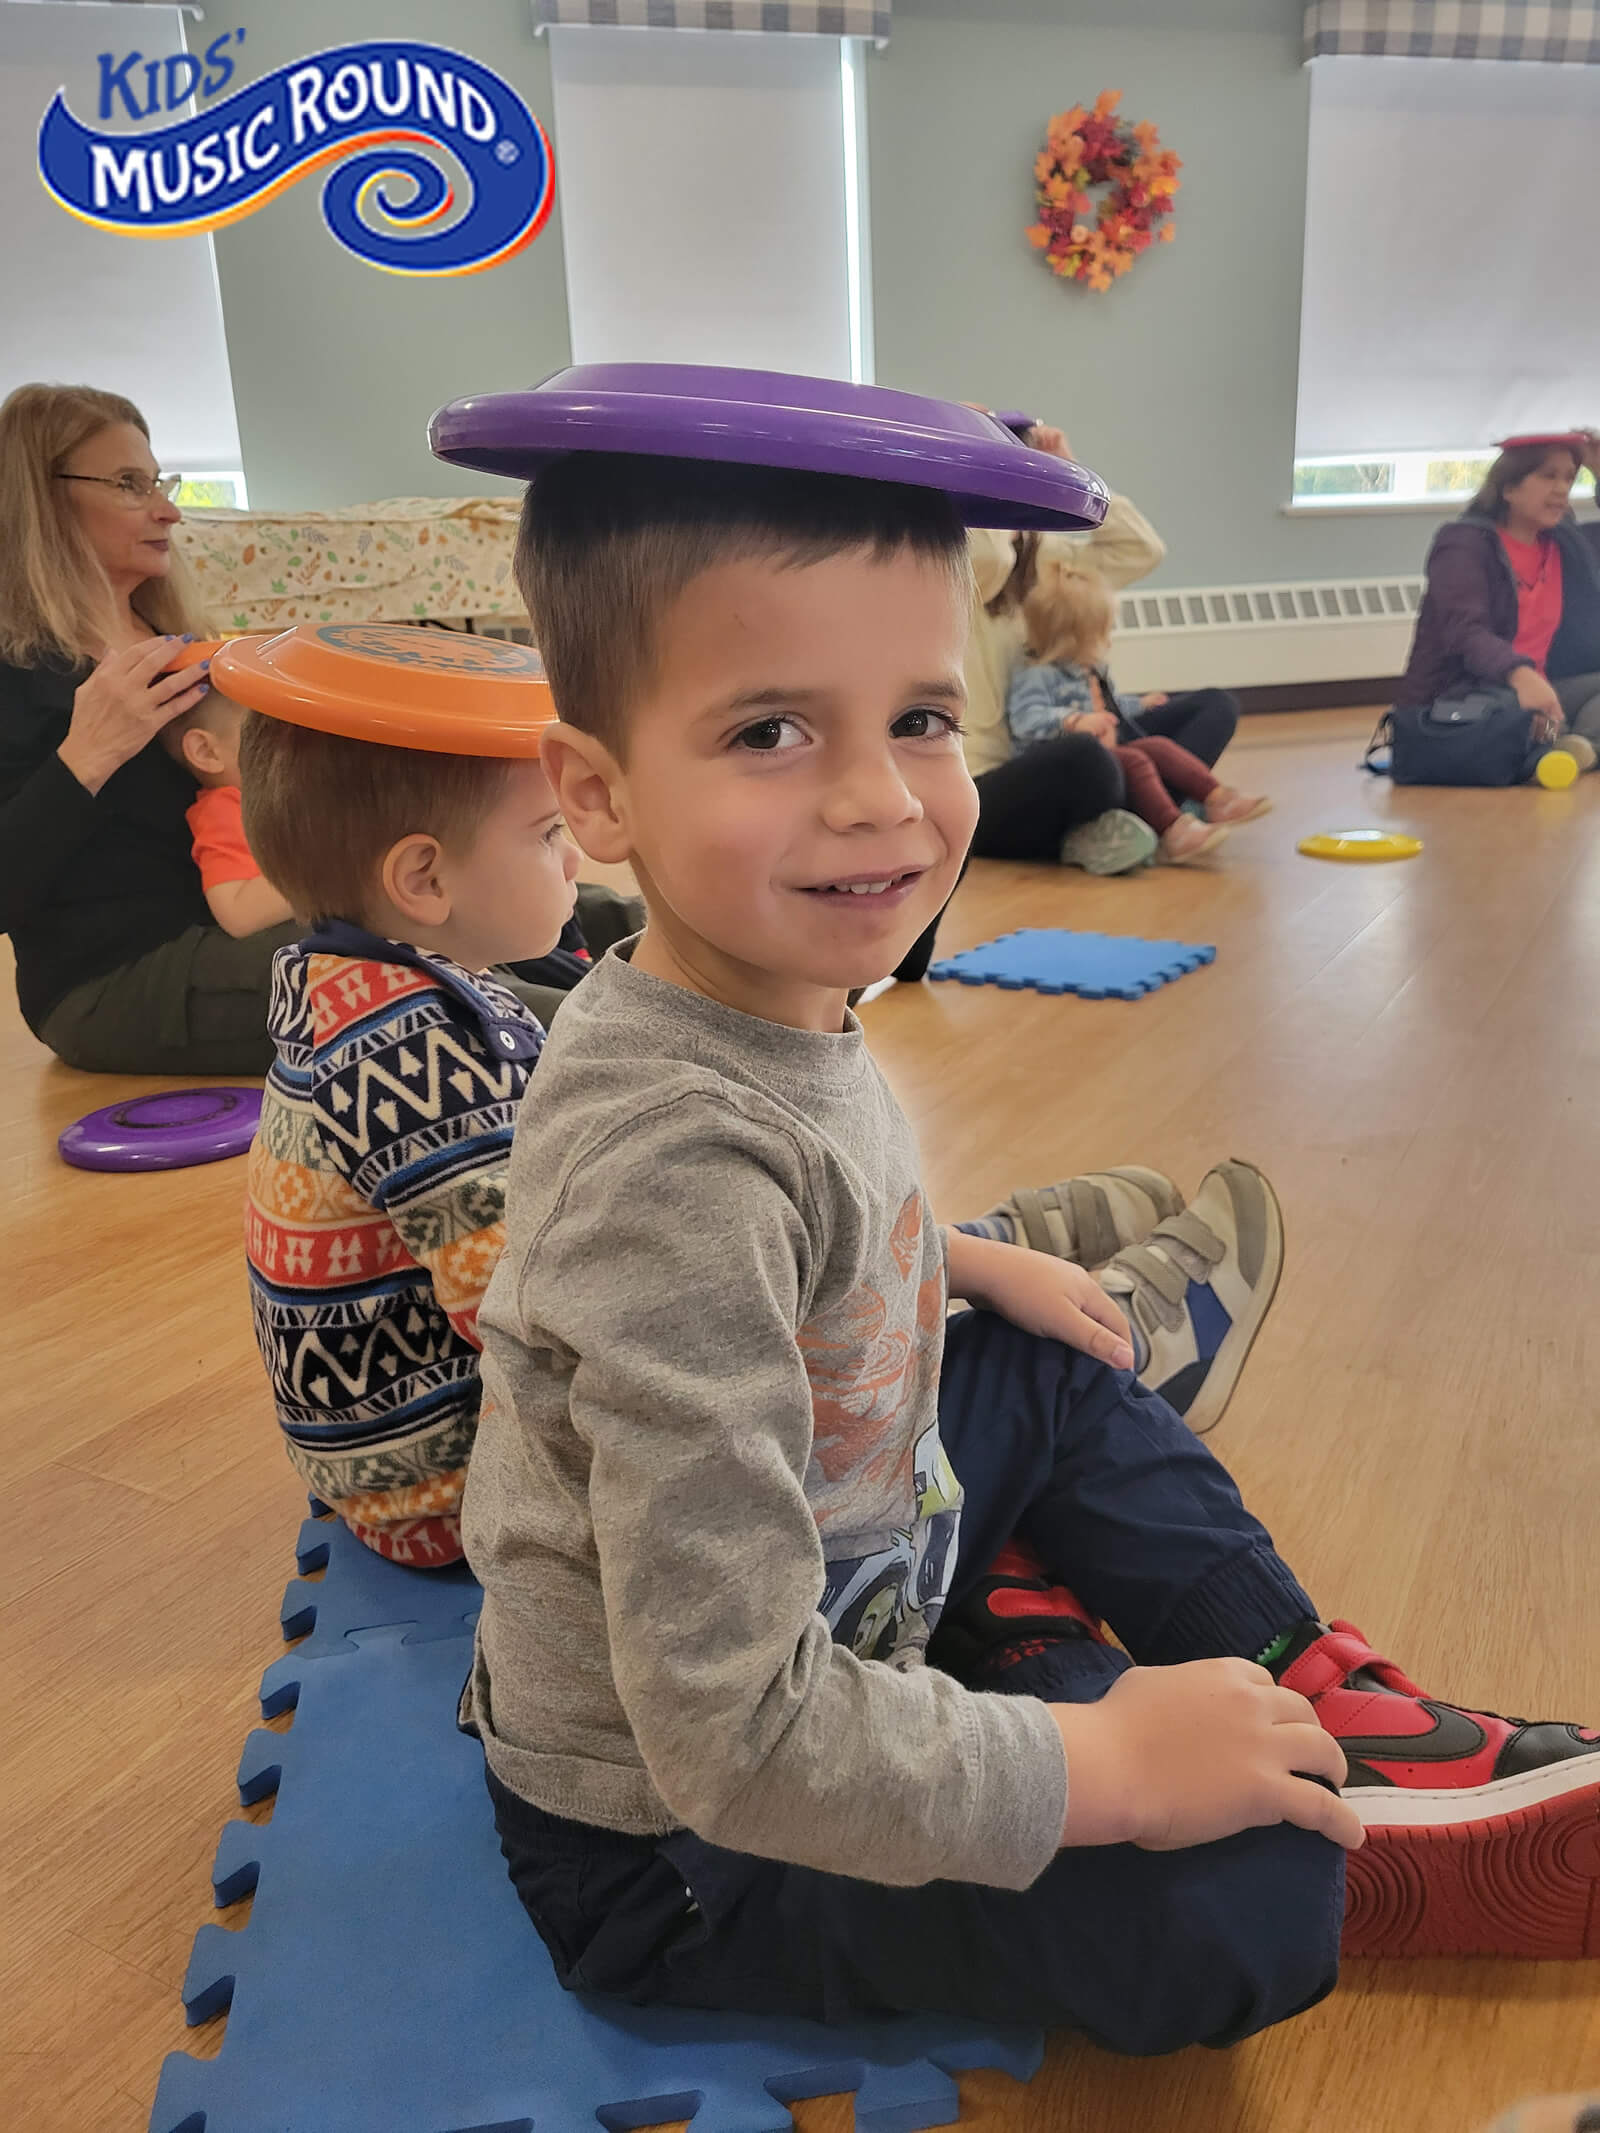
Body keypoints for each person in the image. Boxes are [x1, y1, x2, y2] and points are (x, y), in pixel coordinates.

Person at [457, 417, 1600, 2063]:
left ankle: (1297, 1679)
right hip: (685, 1850)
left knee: (1050, 1352)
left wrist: (965, 1264)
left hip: (848, 1566)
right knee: (1244, 1909)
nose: (877, 798)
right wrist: (1097, 1769)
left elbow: (818, 1221)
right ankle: (1156, 1716)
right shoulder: (669, 1172)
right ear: (597, 792)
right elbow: (727, 1737)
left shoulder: (749, 986)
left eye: (922, 720)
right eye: (770, 729)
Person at [232, 629, 1270, 1560]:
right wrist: (931, 1289)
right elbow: (567, 1324)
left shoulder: (353, 992)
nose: (574, 857)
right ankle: (1124, 1335)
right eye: (548, 834)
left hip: (406, 1463)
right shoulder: (418, 1061)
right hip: (469, 1490)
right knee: (923, 1376)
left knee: (768, 1230)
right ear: (423, 881)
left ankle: (952, 1250)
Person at [0, 382, 302, 1075]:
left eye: (159, 482)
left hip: (244, 930)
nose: (168, 510)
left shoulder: (178, 641)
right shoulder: (16, 673)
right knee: (423, 982)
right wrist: (85, 757)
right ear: (42, 499)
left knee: (457, 913)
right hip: (112, 983)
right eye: (130, 484)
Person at [893, 418, 1238, 976]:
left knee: (1214, 705)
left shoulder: (1053, 562)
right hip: (998, 778)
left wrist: (1070, 470)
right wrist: (976, 452)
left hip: (1075, 747)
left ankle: (1146, 819)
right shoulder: (965, 569)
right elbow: (990, 556)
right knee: (1086, 757)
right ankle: (1146, 818)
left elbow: (1141, 548)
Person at [1010, 561, 1270, 867]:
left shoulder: (1093, 669)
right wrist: (1074, 721)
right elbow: (1025, 718)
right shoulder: (1038, 673)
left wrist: (1141, 704)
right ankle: (1174, 829)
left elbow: (1114, 708)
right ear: (1073, 638)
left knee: (1158, 746)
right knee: (1136, 759)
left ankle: (1217, 798)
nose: (1109, 641)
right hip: (1077, 765)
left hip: (1113, 748)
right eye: (1103, 633)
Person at [1398, 431, 1600, 770]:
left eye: (1569, 478)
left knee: (1548, 714)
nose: (1561, 489)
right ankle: (1555, 748)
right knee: (1512, 712)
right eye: (1548, 476)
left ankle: (1572, 751)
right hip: (1465, 696)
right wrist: (1520, 676)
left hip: (1543, 689)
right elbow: (1465, 632)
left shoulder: (1564, 543)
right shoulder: (1463, 544)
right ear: (1508, 488)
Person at [161, 651, 296, 940]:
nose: (295, 748)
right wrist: (337, 873)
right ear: (206, 752)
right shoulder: (224, 810)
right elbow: (237, 914)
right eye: (270, 733)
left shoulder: (284, 796)